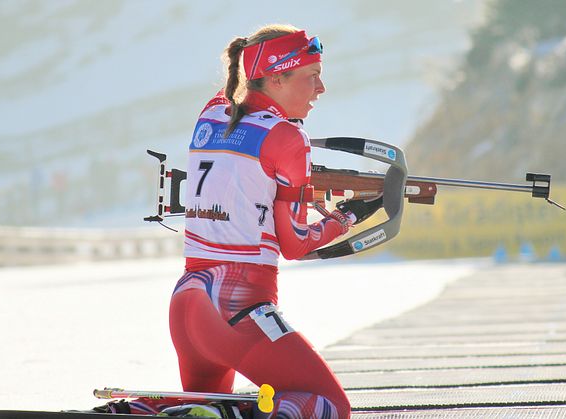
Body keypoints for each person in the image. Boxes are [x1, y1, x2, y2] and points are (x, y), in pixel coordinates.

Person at [109, 24, 382, 418]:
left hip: (188, 301)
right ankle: (225, 414)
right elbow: (295, 243)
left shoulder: (211, 113)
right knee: (331, 408)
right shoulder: (289, 138)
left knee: (200, 409)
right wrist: (348, 215)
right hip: (237, 308)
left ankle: (138, 409)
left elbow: (244, 168)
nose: (321, 88)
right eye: (311, 76)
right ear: (275, 77)